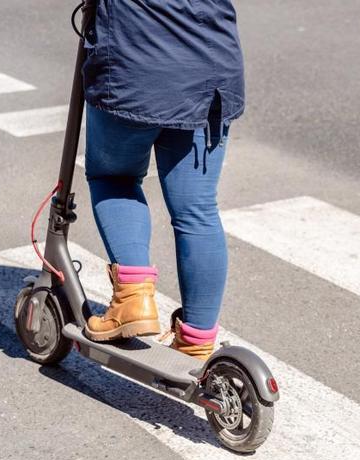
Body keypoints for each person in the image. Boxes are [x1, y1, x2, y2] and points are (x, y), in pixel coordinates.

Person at [79, 0, 244, 361]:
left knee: (113, 176)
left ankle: (133, 298)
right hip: (210, 72)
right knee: (197, 209)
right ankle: (198, 338)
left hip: (133, 71)